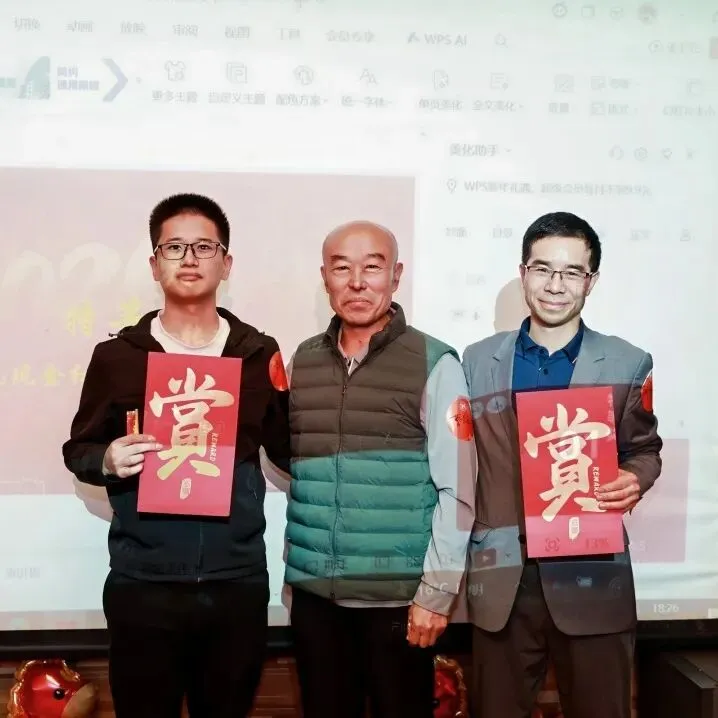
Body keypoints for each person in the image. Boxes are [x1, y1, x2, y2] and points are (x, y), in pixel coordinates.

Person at [62, 193, 290, 718]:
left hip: (236, 581)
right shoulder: (118, 357)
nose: (189, 259)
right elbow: (79, 449)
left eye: (204, 247)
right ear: (154, 264)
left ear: (226, 263)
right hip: (144, 582)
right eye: (175, 247)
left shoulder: (260, 353)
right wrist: (107, 460)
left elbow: (287, 448)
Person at [462, 211, 662, 718]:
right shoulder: (476, 360)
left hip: (592, 575)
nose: (556, 285)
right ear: (523, 272)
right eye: (543, 269)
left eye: (572, 272)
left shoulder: (628, 362)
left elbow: (645, 450)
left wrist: (634, 478)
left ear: (591, 281)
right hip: (502, 577)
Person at [282, 220, 476, 718]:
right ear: (324, 277)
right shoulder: (303, 360)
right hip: (316, 599)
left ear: (396, 275)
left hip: (398, 602)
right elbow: (298, 470)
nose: (357, 282)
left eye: (372, 267)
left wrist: (436, 594)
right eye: (341, 268)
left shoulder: (435, 362)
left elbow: (459, 491)